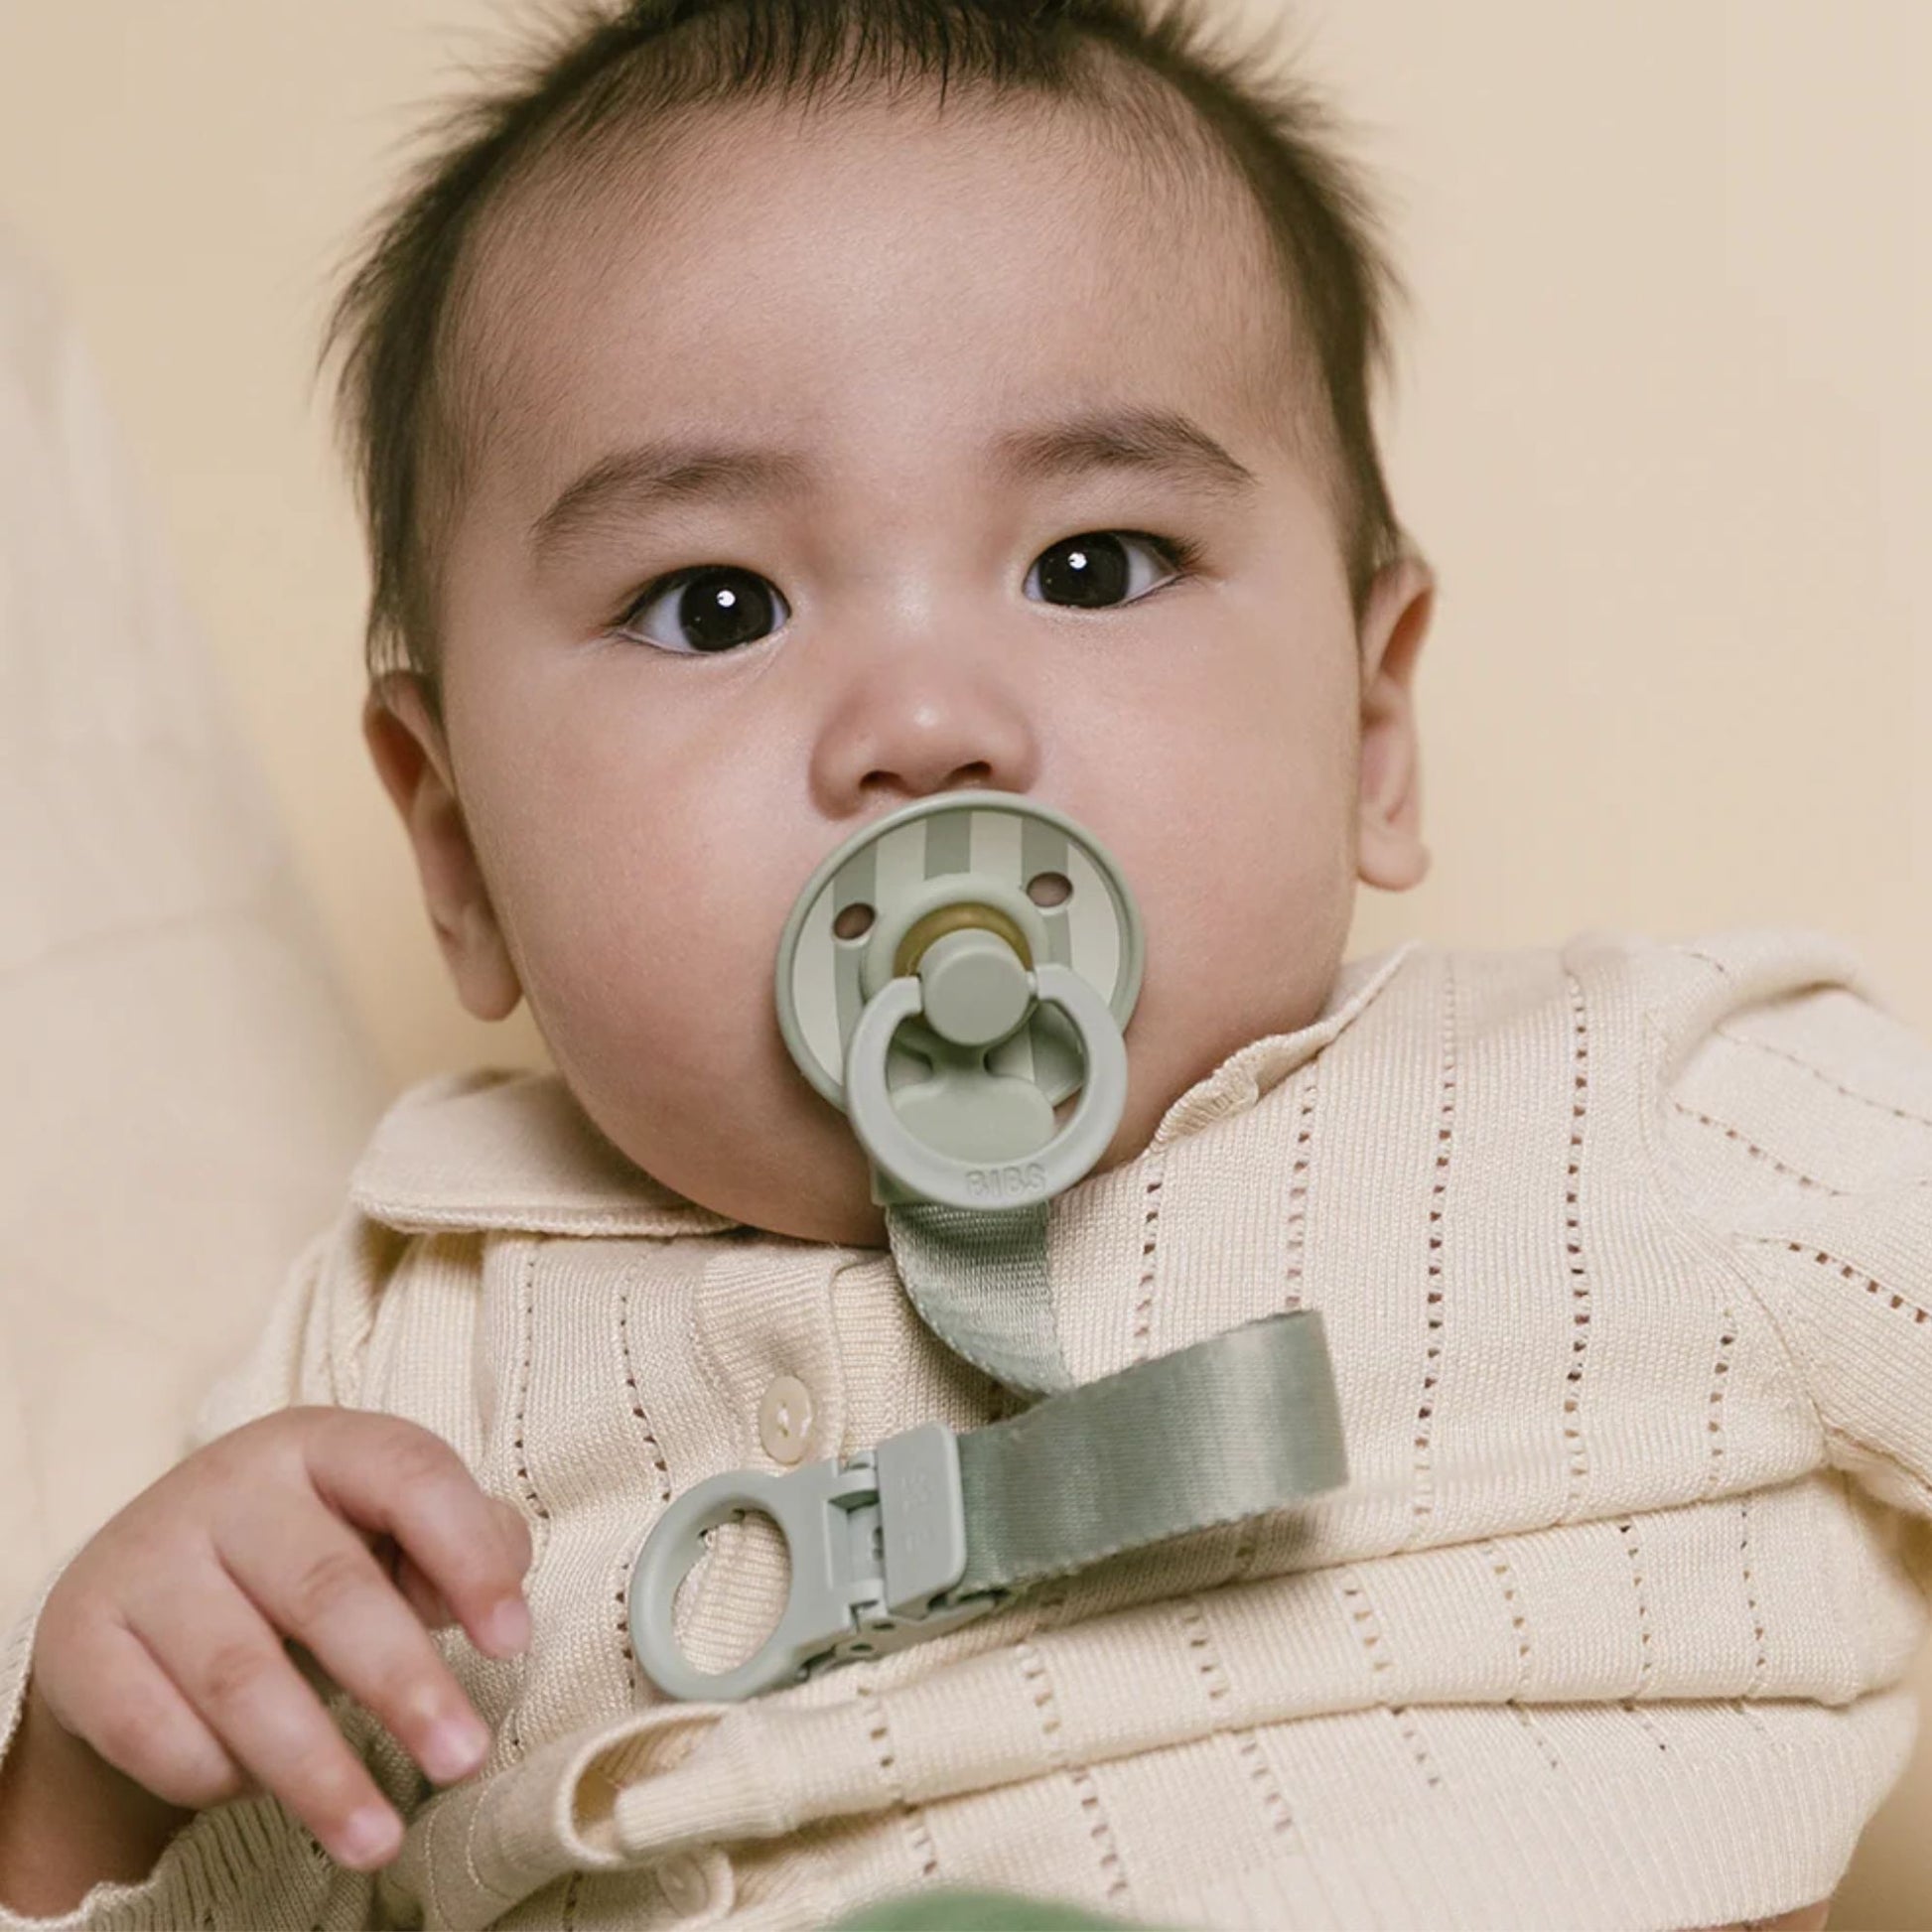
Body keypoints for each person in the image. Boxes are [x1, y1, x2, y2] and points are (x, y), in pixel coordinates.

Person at [0, 2, 1921, 1926]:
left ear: (1370, 724)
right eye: (714, 603)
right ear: (458, 843)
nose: (924, 718)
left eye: (1094, 563)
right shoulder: (389, 1363)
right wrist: (89, 1787)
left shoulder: (1657, 1105)